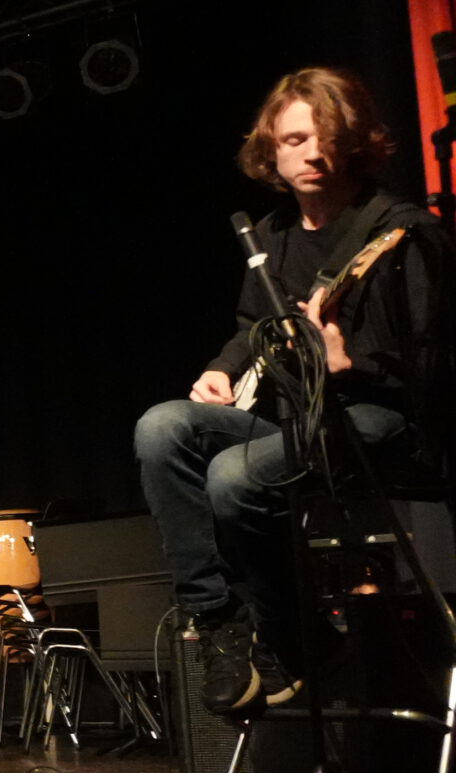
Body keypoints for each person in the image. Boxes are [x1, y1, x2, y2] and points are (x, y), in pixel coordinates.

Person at [135, 67, 451, 714]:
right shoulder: (273, 238)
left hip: (382, 418)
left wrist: (351, 366)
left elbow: (435, 364)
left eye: (325, 136)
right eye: (295, 139)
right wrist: (223, 368)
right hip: (298, 420)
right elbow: (254, 328)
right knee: (162, 427)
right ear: (271, 152)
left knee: (231, 476)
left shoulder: (404, 232)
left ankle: (289, 633)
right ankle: (219, 621)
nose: (312, 153)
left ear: (352, 141)